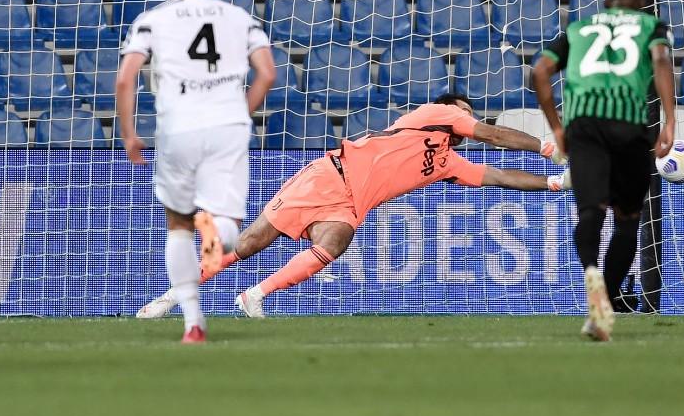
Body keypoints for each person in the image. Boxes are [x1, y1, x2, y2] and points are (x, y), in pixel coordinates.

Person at [201, 95, 554, 317]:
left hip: (352, 203)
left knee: (335, 244)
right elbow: (492, 135)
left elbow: (500, 177)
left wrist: (555, 182)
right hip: (331, 175)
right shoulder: (434, 113)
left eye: (469, 114)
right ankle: (182, 287)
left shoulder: (448, 163)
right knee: (250, 243)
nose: (468, 117)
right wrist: (547, 147)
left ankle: (254, 296)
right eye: (465, 112)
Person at [117, 0, 276, 343]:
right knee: (226, 229)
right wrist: (244, 110)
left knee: (178, 227)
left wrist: (130, 134)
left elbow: (125, 77)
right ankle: (214, 229)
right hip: (227, 125)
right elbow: (267, 73)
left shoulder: (151, 19)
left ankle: (193, 323)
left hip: (178, 127)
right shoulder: (239, 16)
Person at [531, 0, 677, 343]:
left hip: (584, 125)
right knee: (628, 219)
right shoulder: (651, 26)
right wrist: (670, 120)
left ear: (604, 1)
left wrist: (558, 127)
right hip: (628, 124)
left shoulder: (578, 29)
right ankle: (606, 303)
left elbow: (540, 70)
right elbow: (661, 61)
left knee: (590, 211)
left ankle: (591, 270)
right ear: (642, 1)